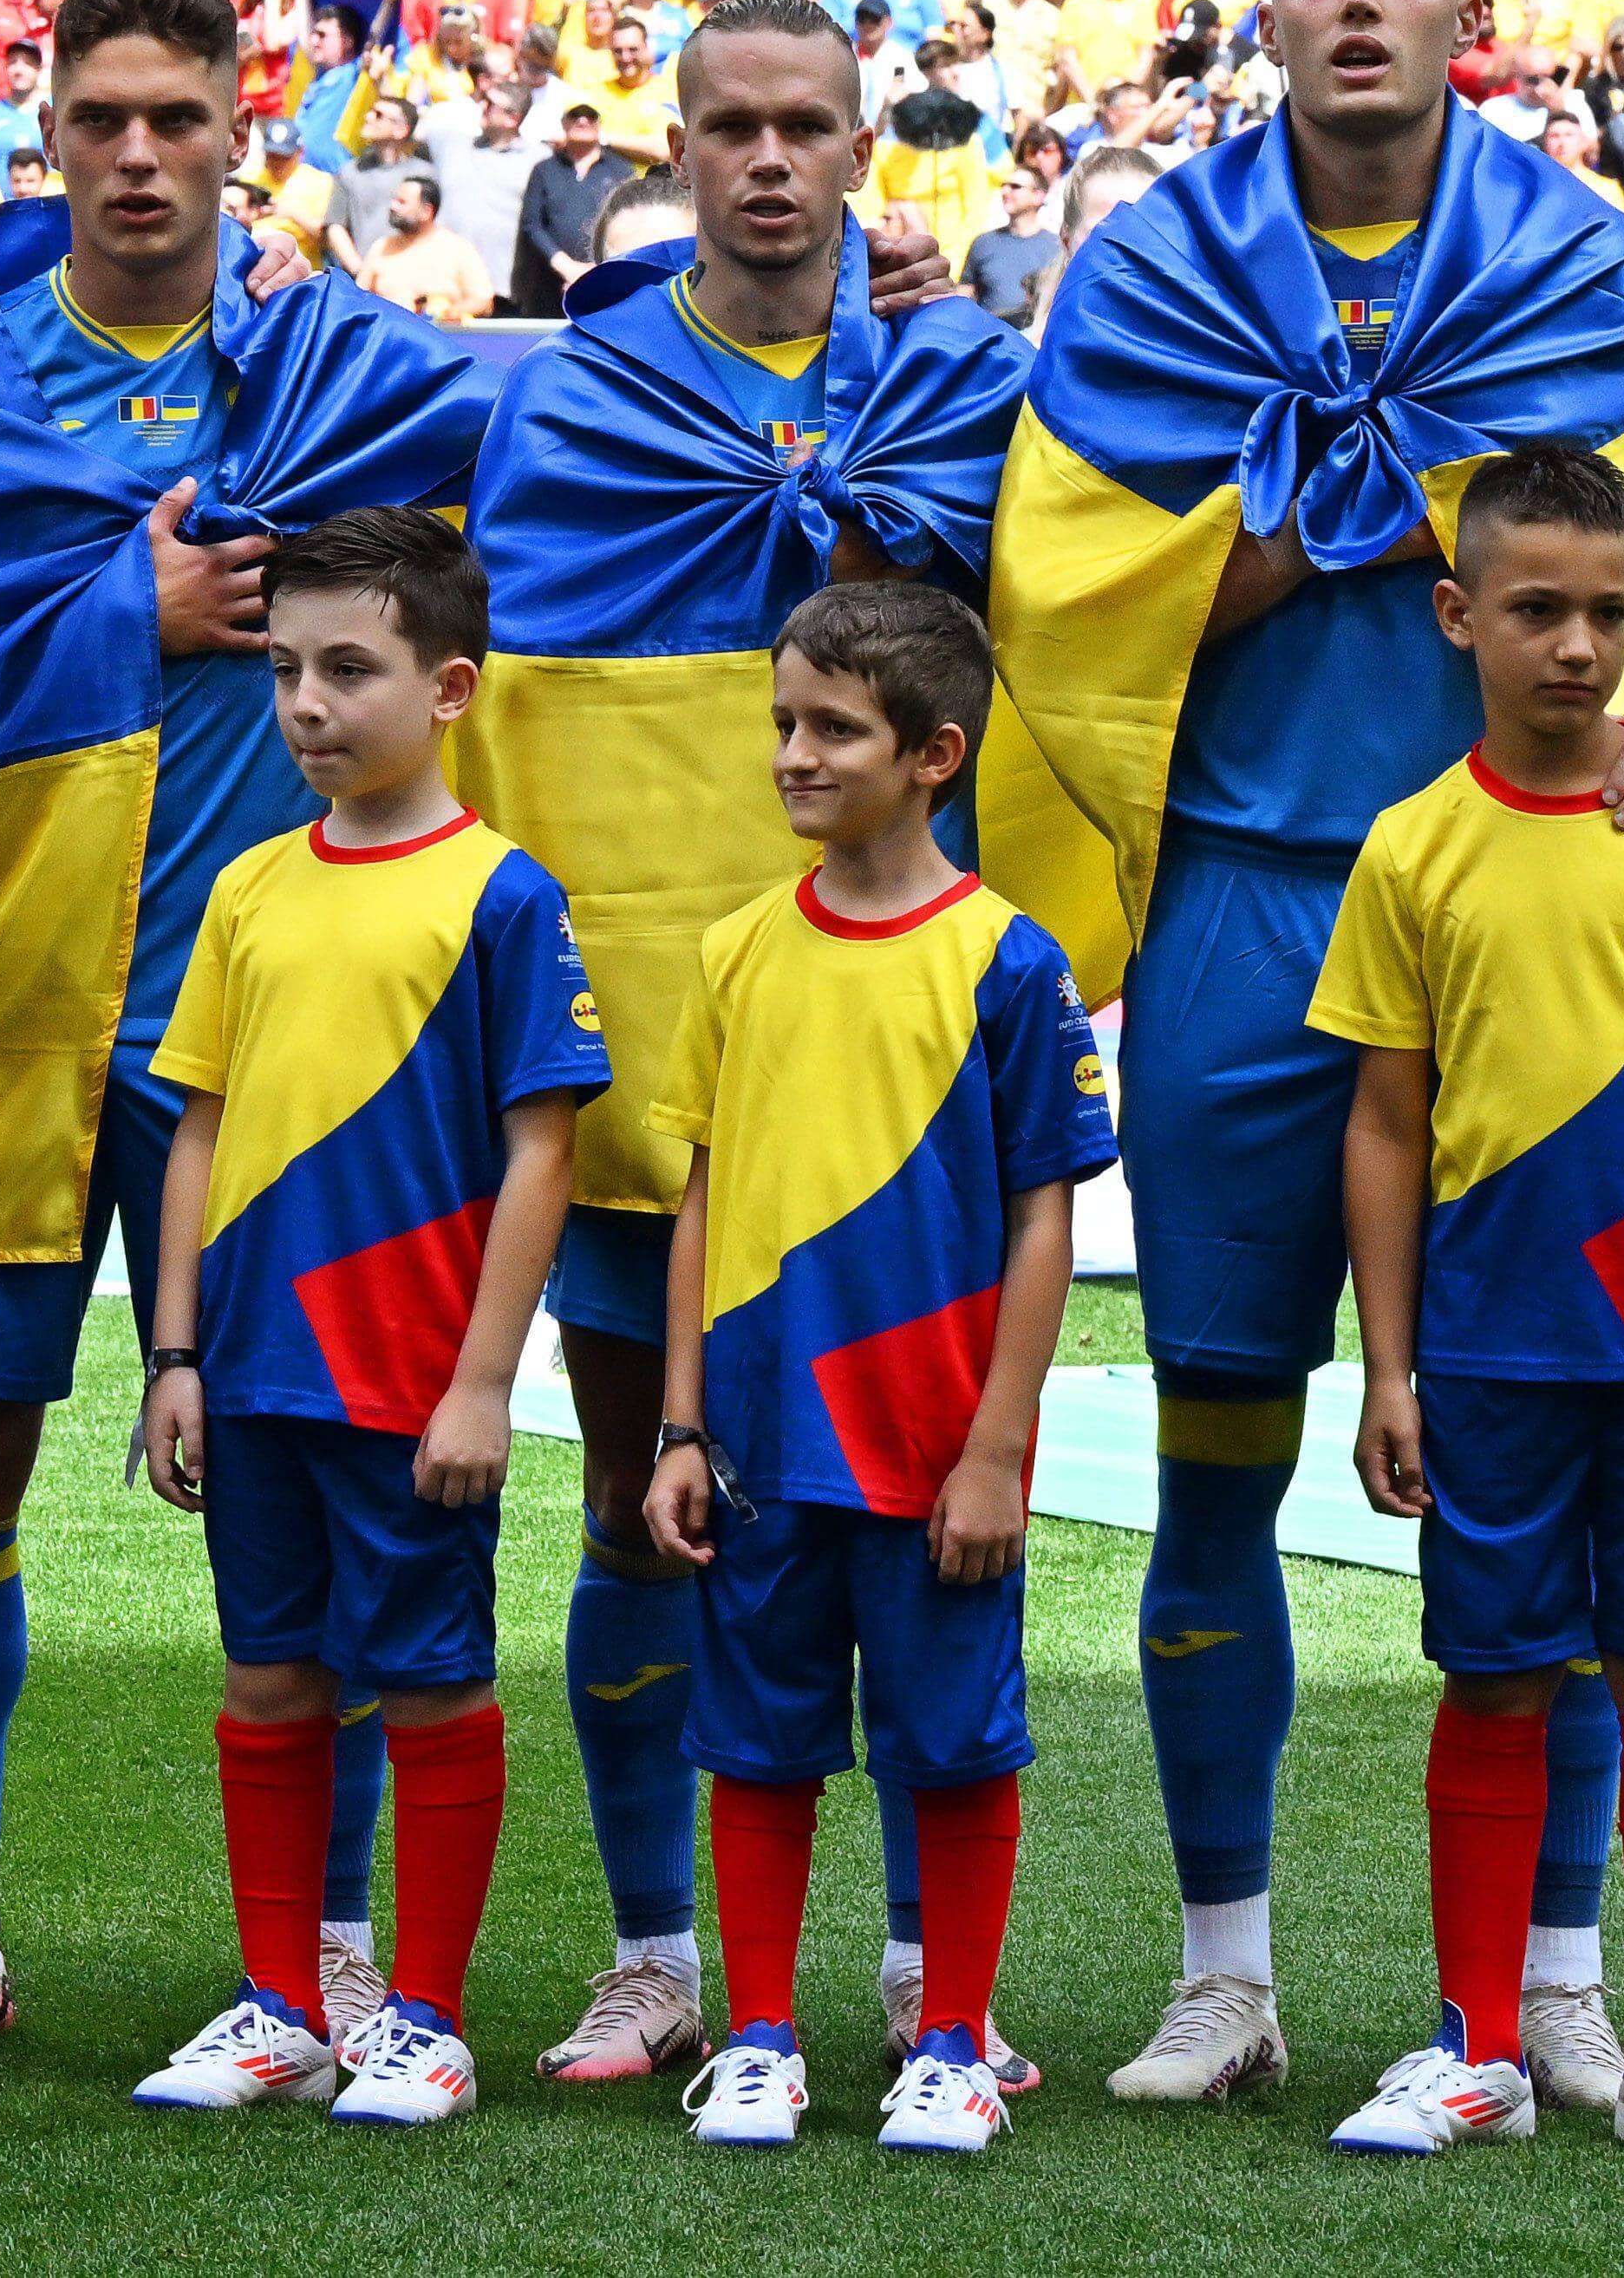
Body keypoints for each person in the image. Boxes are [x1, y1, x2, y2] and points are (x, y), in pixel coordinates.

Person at [995, 0, 1624, 2114]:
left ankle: (1551, 1986)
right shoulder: (1158, 265)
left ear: (1467, 5)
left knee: (1534, 1455)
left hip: (1530, 901)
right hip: (1243, 914)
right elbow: (1055, 607)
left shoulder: (1568, 258)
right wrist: (1303, 524)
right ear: (1263, 11)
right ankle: (1220, 1972)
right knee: (1213, 1452)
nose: (1356, 3)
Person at [0, 0, 485, 2050]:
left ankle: (329, 1938)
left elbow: (475, 526)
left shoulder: (318, 364)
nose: (132, 154)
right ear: (44, 132)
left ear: (232, 130)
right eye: (95, 117)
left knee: (315, 1480)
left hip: (281, 1021)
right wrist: (140, 599)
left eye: (170, 119)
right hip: (16, 996)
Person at [455, 0, 1025, 2087]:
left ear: (859, 146)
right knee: (638, 1496)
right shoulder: (573, 392)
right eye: (729, 124)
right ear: (670, 147)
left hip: (891, 1075)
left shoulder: (968, 380)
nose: (767, 157)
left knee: (893, 1510)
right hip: (640, 1037)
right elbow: (491, 683)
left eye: (803, 124)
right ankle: (650, 1949)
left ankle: (901, 1974)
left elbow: (1072, 633)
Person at [1312, 438, 1624, 2164]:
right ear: (1459, 616)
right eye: (1537, 609)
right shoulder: (1410, 847)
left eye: (1608, 610)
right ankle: (1477, 2049)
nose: (1581, 646)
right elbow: (1384, 1117)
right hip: (1490, 1351)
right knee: (1495, 1681)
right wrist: (1388, 1367)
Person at [125, 506, 601, 2128]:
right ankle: (278, 2003)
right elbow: (192, 1126)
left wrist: (482, 1384)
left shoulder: (504, 894)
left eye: (348, 667)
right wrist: (172, 1354)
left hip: (408, 1381)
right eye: (281, 670)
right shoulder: (249, 886)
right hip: (250, 1369)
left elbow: (544, 1147)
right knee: (267, 1680)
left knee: (426, 1683)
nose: (307, 703)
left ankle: (424, 2016)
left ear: (451, 686)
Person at [640, 578, 1104, 2157]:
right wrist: (679, 1422)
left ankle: (952, 2043)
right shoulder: (733, 948)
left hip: (931, 1449)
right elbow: (702, 1195)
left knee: (955, 1742)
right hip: (765, 1443)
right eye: (780, 719)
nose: (789, 751)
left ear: (932, 752)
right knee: (755, 1744)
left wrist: (993, 1448)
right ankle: (759, 2035)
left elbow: (1044, 1218)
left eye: (829, 725)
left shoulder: (1010, 961)